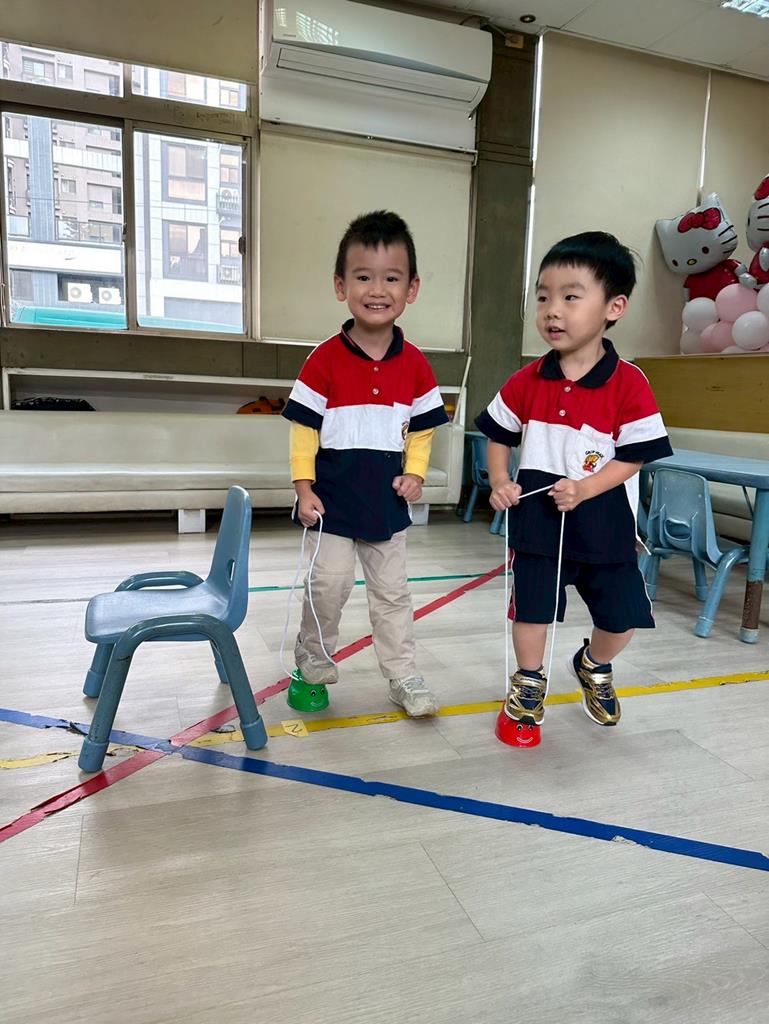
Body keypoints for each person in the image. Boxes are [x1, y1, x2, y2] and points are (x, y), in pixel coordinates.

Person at [476, 231, 673, 727]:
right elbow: (498, 433)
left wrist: (585, 488)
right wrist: (499, 479)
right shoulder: (526, 380)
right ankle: (529, 679)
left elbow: (634, 458)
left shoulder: (630, 383)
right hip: (538, 519)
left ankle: (593, 664)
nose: (552, 311)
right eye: (543, 297)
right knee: (532, 609)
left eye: (570, 297)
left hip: (605, 518)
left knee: (623, 617)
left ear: (614, 307)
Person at [282, 210, 448, 716]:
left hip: (386, 507)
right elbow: (303, 430)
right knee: (328, 585)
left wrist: (415, 473)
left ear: (411, 288)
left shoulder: (416, 364)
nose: (377, 290)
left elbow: (422, 430)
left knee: (393, 594)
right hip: (331, 505)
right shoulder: (323, 359)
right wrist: (303, 488)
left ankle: (402, 675)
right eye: (363, 277)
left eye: (391, 278)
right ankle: (312, 659)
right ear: (341, 286)